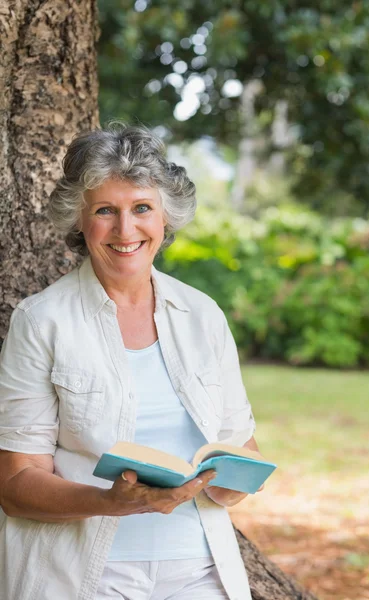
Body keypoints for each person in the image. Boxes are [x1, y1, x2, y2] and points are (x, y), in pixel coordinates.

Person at [0, 125, 262, 600]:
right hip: (86, 576)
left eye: (142, 208)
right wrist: (110, 502)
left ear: (165, 218)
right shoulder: (41, 321)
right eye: (106, 211)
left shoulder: (203, 315)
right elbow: (16, 485)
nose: (126, 230)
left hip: (200, 570)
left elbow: (241, 446)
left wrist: (233, 479)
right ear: (80, 220)